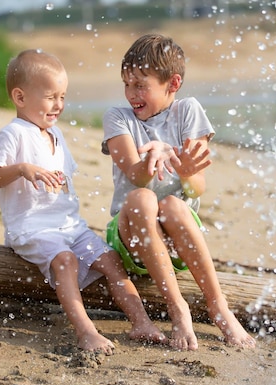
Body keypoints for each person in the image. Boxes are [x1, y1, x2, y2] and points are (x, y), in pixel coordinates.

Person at [0, 49, 166, 355]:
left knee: (110, 260)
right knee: (65, 262)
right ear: (20, 97)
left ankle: (141, 321)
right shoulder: (13, 134)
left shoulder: (56, 134)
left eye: (63, 97)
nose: (59, 105)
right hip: (32, 229)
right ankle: (86, 331)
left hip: (69, 225)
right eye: (51, 96)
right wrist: (22, 169)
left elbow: (62, 182)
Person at [102, 34, 256, 351]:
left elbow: (197, 187)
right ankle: (178, 306)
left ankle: (218, 306)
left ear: (172, 83)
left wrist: (186, 173)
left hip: (177, 240)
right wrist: (152, 156)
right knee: (143, 197)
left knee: (172, 203)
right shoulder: (118, 118)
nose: (132, 94)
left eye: (140, 85)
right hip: (132, 237)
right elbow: (135, 176)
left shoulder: (188, 111)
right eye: (127, 85)